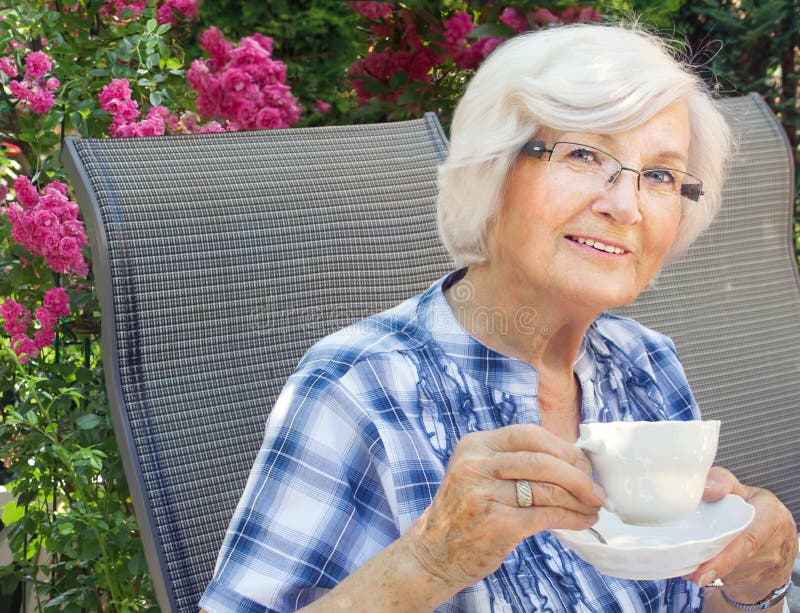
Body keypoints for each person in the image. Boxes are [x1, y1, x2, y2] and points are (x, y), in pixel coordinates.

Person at [199, 22, 798, 612]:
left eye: (661, 176)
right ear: (494, 170)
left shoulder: (643, 363)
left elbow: (694, 598)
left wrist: (756, 584)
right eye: (585, 154)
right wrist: (429, 563)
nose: (624, 205)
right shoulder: (363, 386)